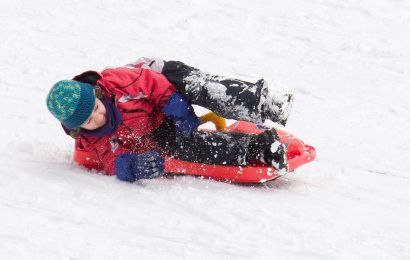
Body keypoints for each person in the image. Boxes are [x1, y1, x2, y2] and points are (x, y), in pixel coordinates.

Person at [46, 57, 293, 182]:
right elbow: (111, 158)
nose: (98, 117)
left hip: (163, 79)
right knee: (180, 147)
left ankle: (263, 103)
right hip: (156, 123)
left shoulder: (117, 82)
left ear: (98, 94)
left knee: (197, 87)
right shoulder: (92, 139)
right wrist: (132, 167)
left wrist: (181, 111)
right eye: (89, 121)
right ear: (78, 129)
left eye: (96, 108)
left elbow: (155, 85)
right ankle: (260, 149)